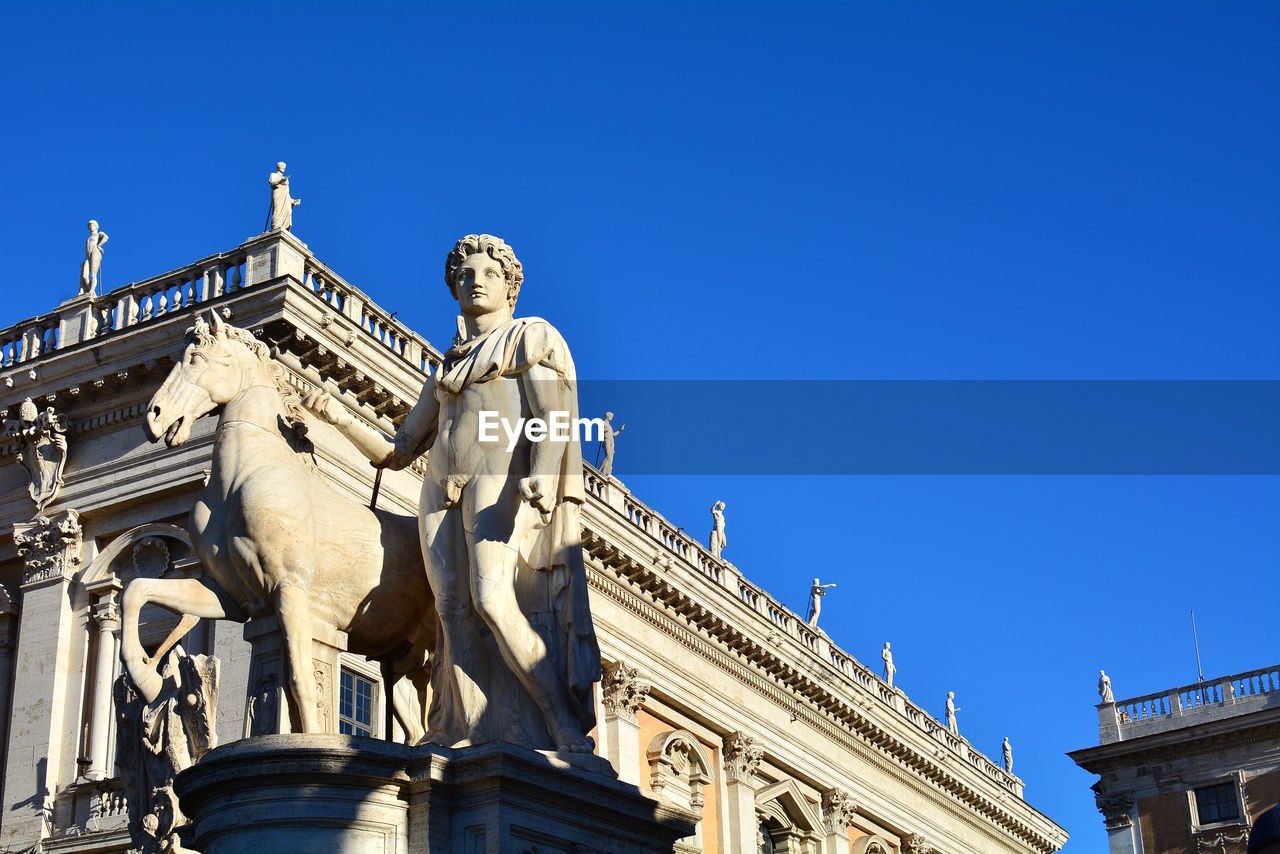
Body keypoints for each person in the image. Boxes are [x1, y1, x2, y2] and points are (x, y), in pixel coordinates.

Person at [304, 234, 598, 752]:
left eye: (487, 273)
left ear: (510, 287)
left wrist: (545, 473)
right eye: (464, 275)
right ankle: (472, 729)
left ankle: (561, 725)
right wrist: (336, 416)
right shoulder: (445, 372)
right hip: (438, 490)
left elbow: (552, 415)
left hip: (498, 478)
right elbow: (398, 447)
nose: (474, 281)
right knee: (451, 614)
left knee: (491, 598)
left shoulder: (527, 341)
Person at [266, 161, 301, 231]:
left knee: (288, 211)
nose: (283, 168)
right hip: (278, 195)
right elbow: (272, 183)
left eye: (284, 167)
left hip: (286, 199)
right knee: (277, 211)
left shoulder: (285, 178)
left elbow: (287, 194)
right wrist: (280, 181)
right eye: (282, 166)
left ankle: (284, 228)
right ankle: (276, 228)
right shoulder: (274, 175)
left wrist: (293, 201)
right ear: (278, 167)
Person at [80, 220, 109, 296]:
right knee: (84, 276)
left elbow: (106, 237)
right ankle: (91, 289)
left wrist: (99, 245)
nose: (90, 227)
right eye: (89, 225)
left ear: (96, 226)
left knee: (93, 274)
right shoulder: (89, 237)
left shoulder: (99, 234)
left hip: (95, 252)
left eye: (92, 225)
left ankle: (92, 291)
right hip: (87, 256)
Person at [598, 411, 625, 478]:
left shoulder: (610, 426)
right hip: (606, 440)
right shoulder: (603, 423)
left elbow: (613, 434)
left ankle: (606, 473)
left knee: (610, 460)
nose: (611, 418)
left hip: (611, 442)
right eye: (611, 416)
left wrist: (620, 430)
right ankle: (599, 470)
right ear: (608, 416)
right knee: (608, 456)